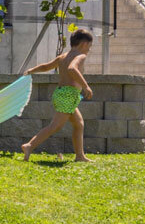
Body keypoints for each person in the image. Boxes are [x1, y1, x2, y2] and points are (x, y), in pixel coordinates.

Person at [21, 29, 94, 163]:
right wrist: (86, 86)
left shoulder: (63, 56)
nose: (89, 49)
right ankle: (29, 145)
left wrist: (32, 70)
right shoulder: (80, 56)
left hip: (61, 93)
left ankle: (80, 156)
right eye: (90, 46)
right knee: (55, 126)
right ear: (84, 44)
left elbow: (46, 66)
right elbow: (72, 69)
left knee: (79, 124)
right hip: (68, 95)